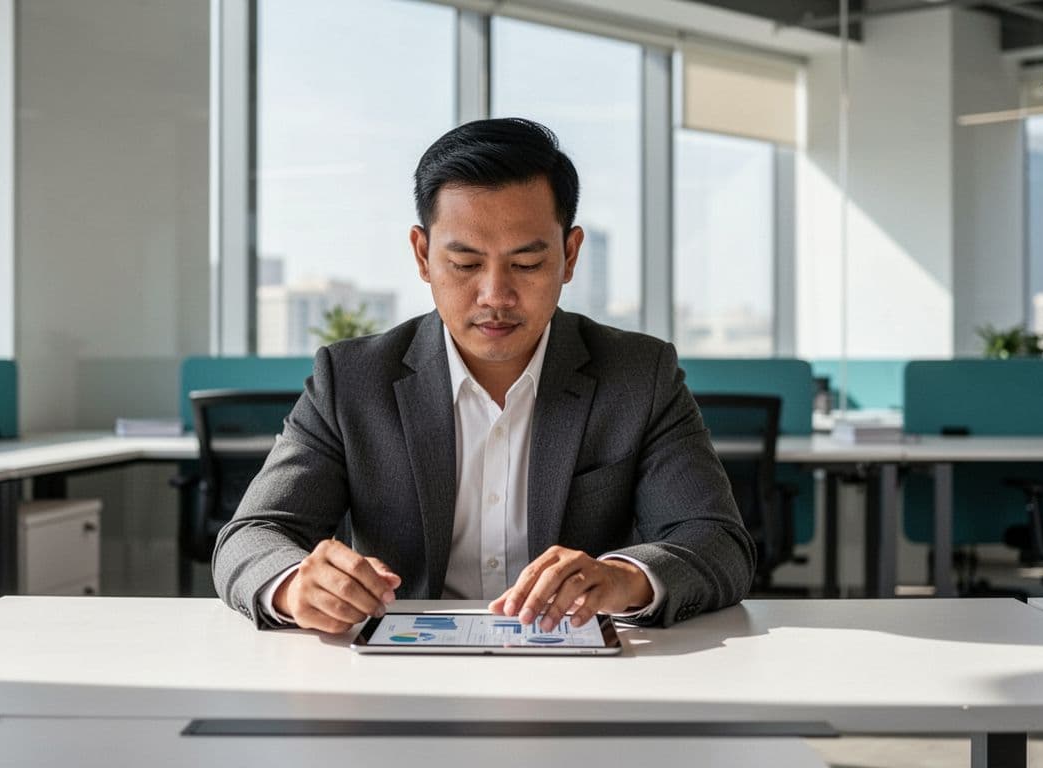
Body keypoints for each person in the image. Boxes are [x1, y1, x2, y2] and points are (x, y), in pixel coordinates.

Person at [213, 117, 755, 633]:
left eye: (525, 264)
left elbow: (716, 541)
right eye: (466, 264)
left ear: (569, 256)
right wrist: (293, 585)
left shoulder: (639, 376)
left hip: (576, 666)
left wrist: (624, 577)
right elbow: (253, 534)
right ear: (423, 256)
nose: (495, 296)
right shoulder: (352, 379)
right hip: (403, 664)